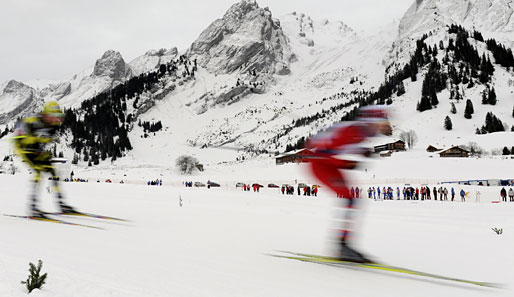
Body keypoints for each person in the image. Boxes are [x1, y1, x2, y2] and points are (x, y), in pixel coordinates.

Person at [305, 105, 392, 263]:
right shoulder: (354, 132)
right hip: (321, 165)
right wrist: (350, 164)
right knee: (350, 198)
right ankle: (342, 246)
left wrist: (361, 152)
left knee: (353, 199)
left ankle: (344, 245)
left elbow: (335, 144)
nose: (384, 126)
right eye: (381, 122)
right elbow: (330, 150)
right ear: (371, 121)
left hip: (329, 165)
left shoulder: (359, 132)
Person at [13, 101, 77, 218]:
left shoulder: (52, 127)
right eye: (54, 116)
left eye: (59, 117)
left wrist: (41, 151)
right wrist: (36, 148)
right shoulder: (34, 122)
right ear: (46, 114)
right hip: (23, 146)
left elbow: (42, 141)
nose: (56, 120)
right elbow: (21, 135)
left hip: (34, 147)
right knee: (39, 171)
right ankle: (33, 207)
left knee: (52, 170)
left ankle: (61, 204)